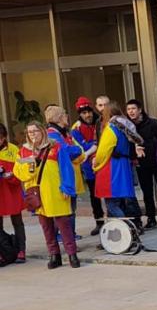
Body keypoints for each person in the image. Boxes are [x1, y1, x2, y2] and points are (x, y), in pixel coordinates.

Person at [14, 121, 82, 269]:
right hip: (37, 194)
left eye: (35, 131)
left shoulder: (55, 146)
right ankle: (54, 255)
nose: (32, 135)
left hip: (56, 191)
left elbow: (66, 168)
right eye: (29, 132)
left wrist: (67, 188)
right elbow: (18, 172)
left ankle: (72, 254)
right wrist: (30, 169)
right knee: (46, 226)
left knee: (64, 225)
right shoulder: (23, 151)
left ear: (43, 132)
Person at [93, 102, 142, 226]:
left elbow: (103, 151)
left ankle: (128, 230)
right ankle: (115, 235)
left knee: (111, 203)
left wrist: (96, 162)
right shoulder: (126, 126)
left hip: (112, 167)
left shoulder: (111, 128)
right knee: (122, 201)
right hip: (124, 165)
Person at [126, 99, 157, 228]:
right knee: (147, 192)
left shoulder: (153, 123)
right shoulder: (128, 127)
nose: (131, 112)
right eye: (129, 109)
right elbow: (128, 145)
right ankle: (151, 218)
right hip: (141, 164)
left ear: (140, 110)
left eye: (133, 109)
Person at [47, 106, 87, 240]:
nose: (67, 116)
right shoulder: (52, 135)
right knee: (66, 211)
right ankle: (67, 237)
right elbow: (72, 151)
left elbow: (77, 150)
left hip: (70, 177)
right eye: (64, 114)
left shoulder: (63, 133)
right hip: (62, 179)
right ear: (58, 118)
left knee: (70, 210)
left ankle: (69, 236)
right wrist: (75, 149)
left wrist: (75, 149)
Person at [70, 96, 104, 235]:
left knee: (111, 195)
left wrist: (95, 146)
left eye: (89, 111)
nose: (87, 115)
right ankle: (99, 222)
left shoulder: (100, 122)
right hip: (89, 167)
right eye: (84, 113)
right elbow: (82, 147)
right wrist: (95, 145)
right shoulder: (76, 128)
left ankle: (117, 220)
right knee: (94, 196)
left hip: (104, 163)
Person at [0, 123, 26, 263]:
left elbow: (21, 171)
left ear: (4, 138)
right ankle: (3, 252)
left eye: (0, 138)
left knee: (18, 221)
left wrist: (9, 175)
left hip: (12, 190)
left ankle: (21, 250)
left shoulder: (14, 150)